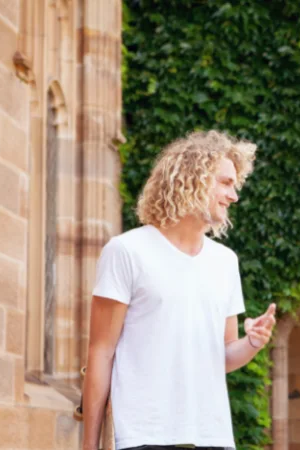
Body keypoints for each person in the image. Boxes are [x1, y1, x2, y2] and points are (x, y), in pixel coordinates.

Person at [83, 130, 276, 450]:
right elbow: (100, 353)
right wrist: (89, 445)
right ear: (192, 178)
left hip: (212, 436)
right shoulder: (127, 251)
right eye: (225, 183)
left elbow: (224, 356)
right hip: (141, 436)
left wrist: (253, 343)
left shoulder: (225, 262)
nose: (234, 196)